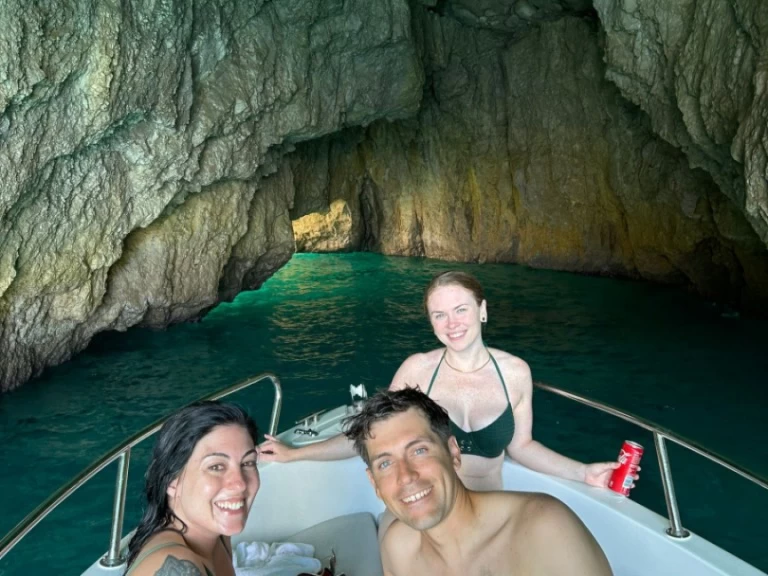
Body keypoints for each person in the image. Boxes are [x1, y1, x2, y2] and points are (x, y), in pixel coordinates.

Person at [260, 270, 626, 496]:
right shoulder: (418, 370)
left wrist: (584, 472)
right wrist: (294, 453)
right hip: (428, 505)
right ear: (431, 322)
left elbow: (522, 446)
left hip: (487, 506)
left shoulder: (515, 373)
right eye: (439, 315)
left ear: (483, 310)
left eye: (461, 310)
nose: (452, 323)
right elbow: (369, 436)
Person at [344, 387, 614, 576]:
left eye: (419, 450)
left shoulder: (544, 530)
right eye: (385, 463)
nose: (406, 476)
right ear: (374, 483)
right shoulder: (397, 549)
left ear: (453, 453)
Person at [125, 401, 260, 576]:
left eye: (248, 463)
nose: (239, 484)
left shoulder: (214, 529)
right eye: (216, 467)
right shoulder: (178, 567)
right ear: (172, 481)